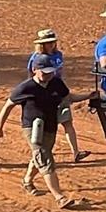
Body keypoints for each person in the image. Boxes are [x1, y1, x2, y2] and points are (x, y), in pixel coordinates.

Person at [0, 54, 97, 209]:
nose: (48, 75)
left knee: (41, 155)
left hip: (50, 125)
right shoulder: (25, 87)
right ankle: (60, 197)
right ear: (35, 70)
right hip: (31, 127)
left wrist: (88, 96)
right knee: (44, 157)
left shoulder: (56, 83)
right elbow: (8, 105)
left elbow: (69, 98)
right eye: (44, 72)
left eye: (50, 72)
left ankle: (27, 180)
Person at [27, 28, 91, 162]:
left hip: (59, 92)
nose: (51, 44)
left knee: (67, 122)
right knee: (44, 127)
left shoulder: (58, 55)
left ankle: (76, 153)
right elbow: (31, 76)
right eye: (48, 42)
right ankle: (40, 153)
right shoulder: (36, 58)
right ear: (41, 44)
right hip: (45, 96)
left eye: (53, 41)